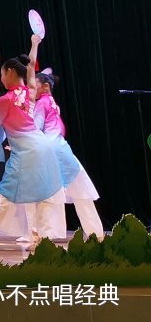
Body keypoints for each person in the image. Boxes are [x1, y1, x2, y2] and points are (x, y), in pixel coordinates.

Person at [0, 36, 66, 251]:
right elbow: (31, 64)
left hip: (27, 152)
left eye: (2, 73)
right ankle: (38, 237)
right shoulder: (30, 92)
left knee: (4, 192)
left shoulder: (5, 100)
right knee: (37, 193)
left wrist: (1, 135)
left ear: (9, 72)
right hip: (42, 148)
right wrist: (35, 44)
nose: (1, 78)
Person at [32, 71, 103, 239]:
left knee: (47, 196)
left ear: (46, 86)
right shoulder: (52, 103)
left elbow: (35, 129)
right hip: (63, 150)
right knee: (82, 194)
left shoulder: (42, 103)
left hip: (51, 150)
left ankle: (43, 237)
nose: (31, 89)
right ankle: (96, 235)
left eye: (34, 85)